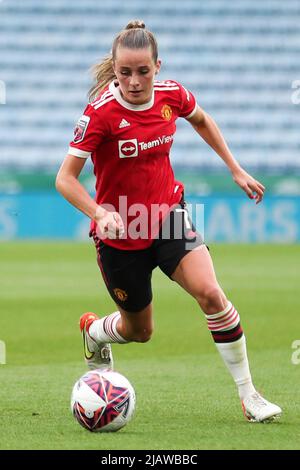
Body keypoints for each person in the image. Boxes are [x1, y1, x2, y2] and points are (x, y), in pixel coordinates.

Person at [56, 20, 281, 423]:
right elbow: (65, 179)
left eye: (143, 71)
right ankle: (94, 332)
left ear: (158, 66)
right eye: (125, 72)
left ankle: (250, 397)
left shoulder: (171, 95)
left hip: (167, 217)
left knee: (212, 294)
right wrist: (99, 212)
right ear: (115, 67)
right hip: (120, 235)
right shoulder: (101, 114)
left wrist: (235, 168)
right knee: (140, 331)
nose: (135, 81)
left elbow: (202, 119)